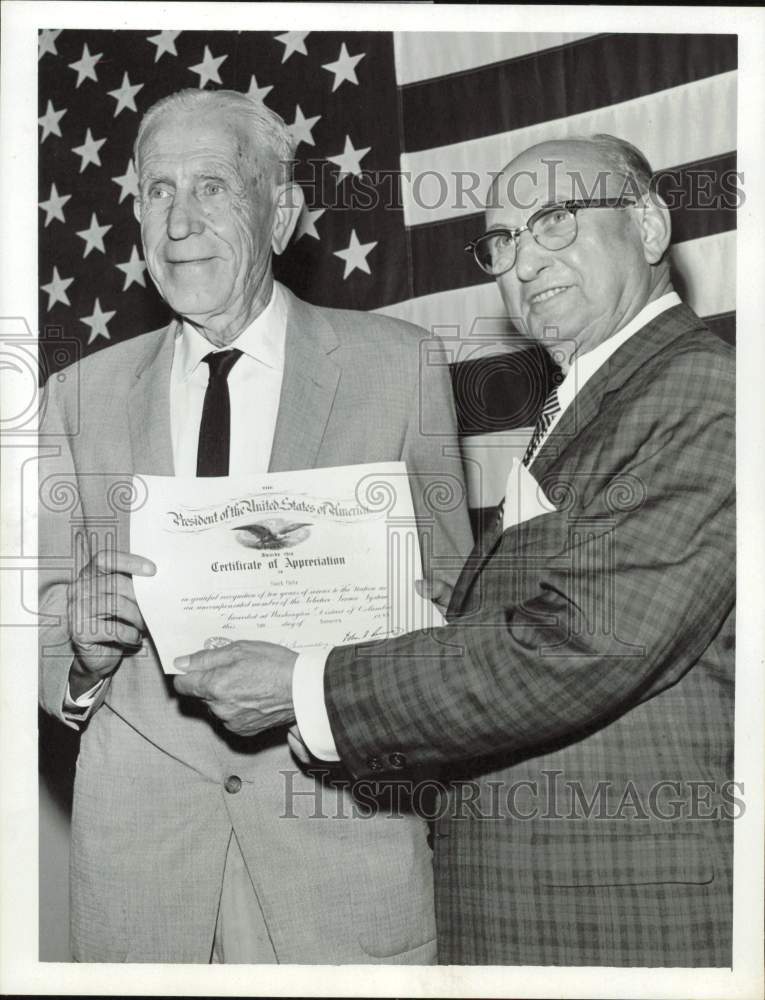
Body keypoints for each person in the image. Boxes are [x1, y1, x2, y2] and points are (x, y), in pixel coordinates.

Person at [180, 135, 736, 966]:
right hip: (528, 904)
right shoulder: (596, 403)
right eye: (502, 240)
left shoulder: (698, 390)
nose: (522, 261)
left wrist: (307, 683)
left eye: (553, 221)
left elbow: (577, 644)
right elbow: (499, 625)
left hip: (623, 914)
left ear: (649, 228)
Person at [38, 88, 473, 964]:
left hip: (339, 837)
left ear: (280, 214)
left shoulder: (399, 365)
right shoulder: (76, 395)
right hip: (142, 872)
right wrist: (76, 656)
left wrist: (364, 643)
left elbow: (453, 599)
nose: (179, 220)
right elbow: (39, 618)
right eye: (156, 191)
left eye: (211, 187)